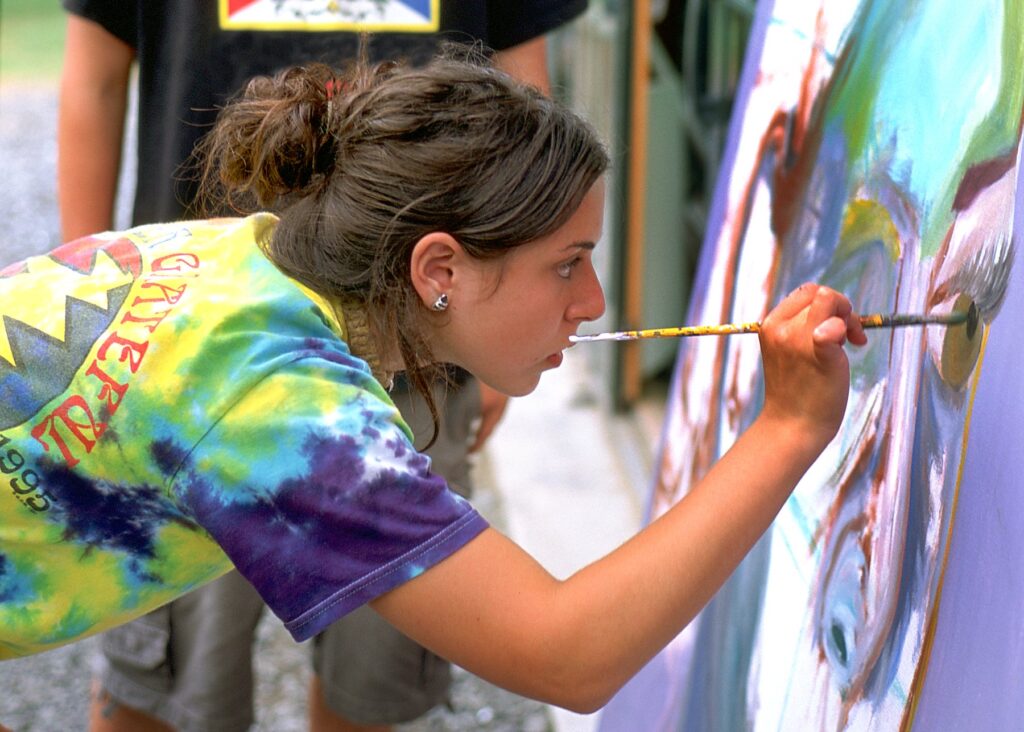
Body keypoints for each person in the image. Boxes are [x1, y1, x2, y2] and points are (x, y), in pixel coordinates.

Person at [0, 50, 866, 731]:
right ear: (439, 268)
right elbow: (564, 655)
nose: (593, 303)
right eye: (568, 264)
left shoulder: (249, 257)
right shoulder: (281, 406)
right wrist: (786, 428)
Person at [57, 3, 584, 730]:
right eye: (574, 271)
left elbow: (529, 85)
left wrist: (505, 341)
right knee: (171, 680)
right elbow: (93, 78)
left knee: (372, 671)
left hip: (418, 346)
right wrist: (98, 311)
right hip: (197, 361)